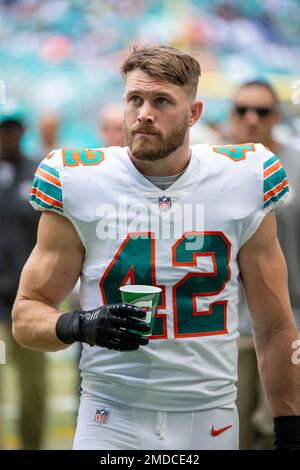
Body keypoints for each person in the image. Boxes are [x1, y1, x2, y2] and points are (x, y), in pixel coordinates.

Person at [11, 46, 300, 450]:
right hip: (109, 414)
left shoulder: (243, 178)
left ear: (194, 113)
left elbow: (274, 325)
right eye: (135, 99)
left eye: (161, 100)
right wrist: (80, 324)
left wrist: (290, 428)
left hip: (210, 415)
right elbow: (25, 315)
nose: (144, 113)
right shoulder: (78, 181)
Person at [230, 80, 300, 449]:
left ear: (277, 115)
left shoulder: (297, 164)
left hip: (291, 317)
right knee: (231, 429)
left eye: (262, 110)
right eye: (243, 110)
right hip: (229, 324)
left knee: (283, 427)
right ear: (232, 116)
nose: (252, 118)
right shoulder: (213, 167)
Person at [0, 102, 46, 449]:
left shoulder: (37, 174)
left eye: (11, 128)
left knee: (33, 387)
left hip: (26, 298)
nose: (6, 136)